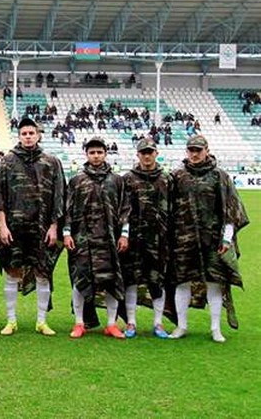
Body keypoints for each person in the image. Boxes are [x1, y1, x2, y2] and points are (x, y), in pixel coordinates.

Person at [169, 135, 249, 343]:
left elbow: (231, 209)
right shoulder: (177, 176)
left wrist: (226, 239)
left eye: (198, 150)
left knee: (215, 282)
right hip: (183, 240)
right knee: (182, 281)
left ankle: (215, 328)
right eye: (191, 150)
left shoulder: (219, 176)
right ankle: (181, 326)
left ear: (206, 150)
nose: (194, 154)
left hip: (212, 239)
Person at [0, 118, 65, 336]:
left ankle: (41, 321)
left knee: (43, 273)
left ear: (38, 135)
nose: (28, 136)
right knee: (12, 272)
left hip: (41, 228)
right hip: (14, 227)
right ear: (19, 136)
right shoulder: (8, 162)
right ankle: (11, 320)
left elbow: (59, 196)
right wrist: (2, 225)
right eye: (24, 133)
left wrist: (53, 226)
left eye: (32, 133)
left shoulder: (51, 162)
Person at [63, 137, 130, 339]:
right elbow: (68, 209)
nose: (96, 156)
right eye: (92, 152)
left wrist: (125, 234)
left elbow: (125, 209)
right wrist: (66, 233)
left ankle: (111, 324)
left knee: (111, 281)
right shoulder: (77, 180)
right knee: (80, 280)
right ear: (86, 155)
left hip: (109, 240)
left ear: (105, 154)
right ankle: (79, 323)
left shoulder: (117, 180)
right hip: (83, 240)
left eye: (99, 152)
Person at [121, 138, 171, 339]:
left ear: (156, 153)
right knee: (131, 280)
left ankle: (158, 323)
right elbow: (123, 210)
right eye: (143, 152)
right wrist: (124, 234)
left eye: (150, 152)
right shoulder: (128, 179)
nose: (147, 155)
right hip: (134, 239)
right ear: (138, 155)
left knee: (157, 281)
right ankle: (131, 322)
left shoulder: (166, 179)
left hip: (158, 240)